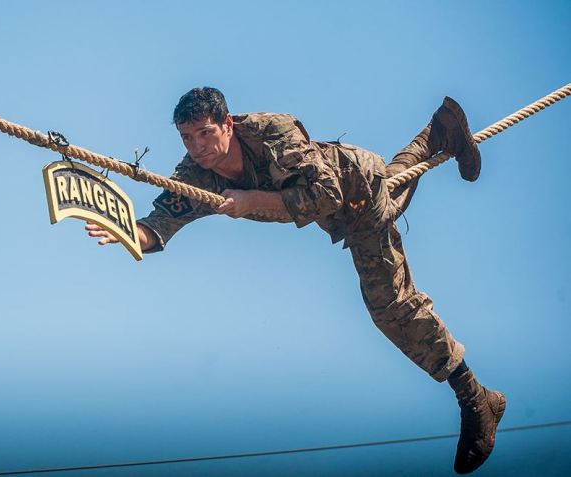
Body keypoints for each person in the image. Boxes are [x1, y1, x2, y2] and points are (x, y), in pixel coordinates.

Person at [85, 87, 506, 474]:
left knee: (390, 306)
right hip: (341, 211)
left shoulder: (272, 132)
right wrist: (128, 233)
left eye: (204, 133)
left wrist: (253, 200)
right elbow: (162, 218)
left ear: (227, 124)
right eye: (186, 138)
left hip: (352, 189)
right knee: (394, 186)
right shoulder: (196, 174)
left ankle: (476, 399)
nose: (196, 147)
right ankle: (440, 131)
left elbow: (327, 194)